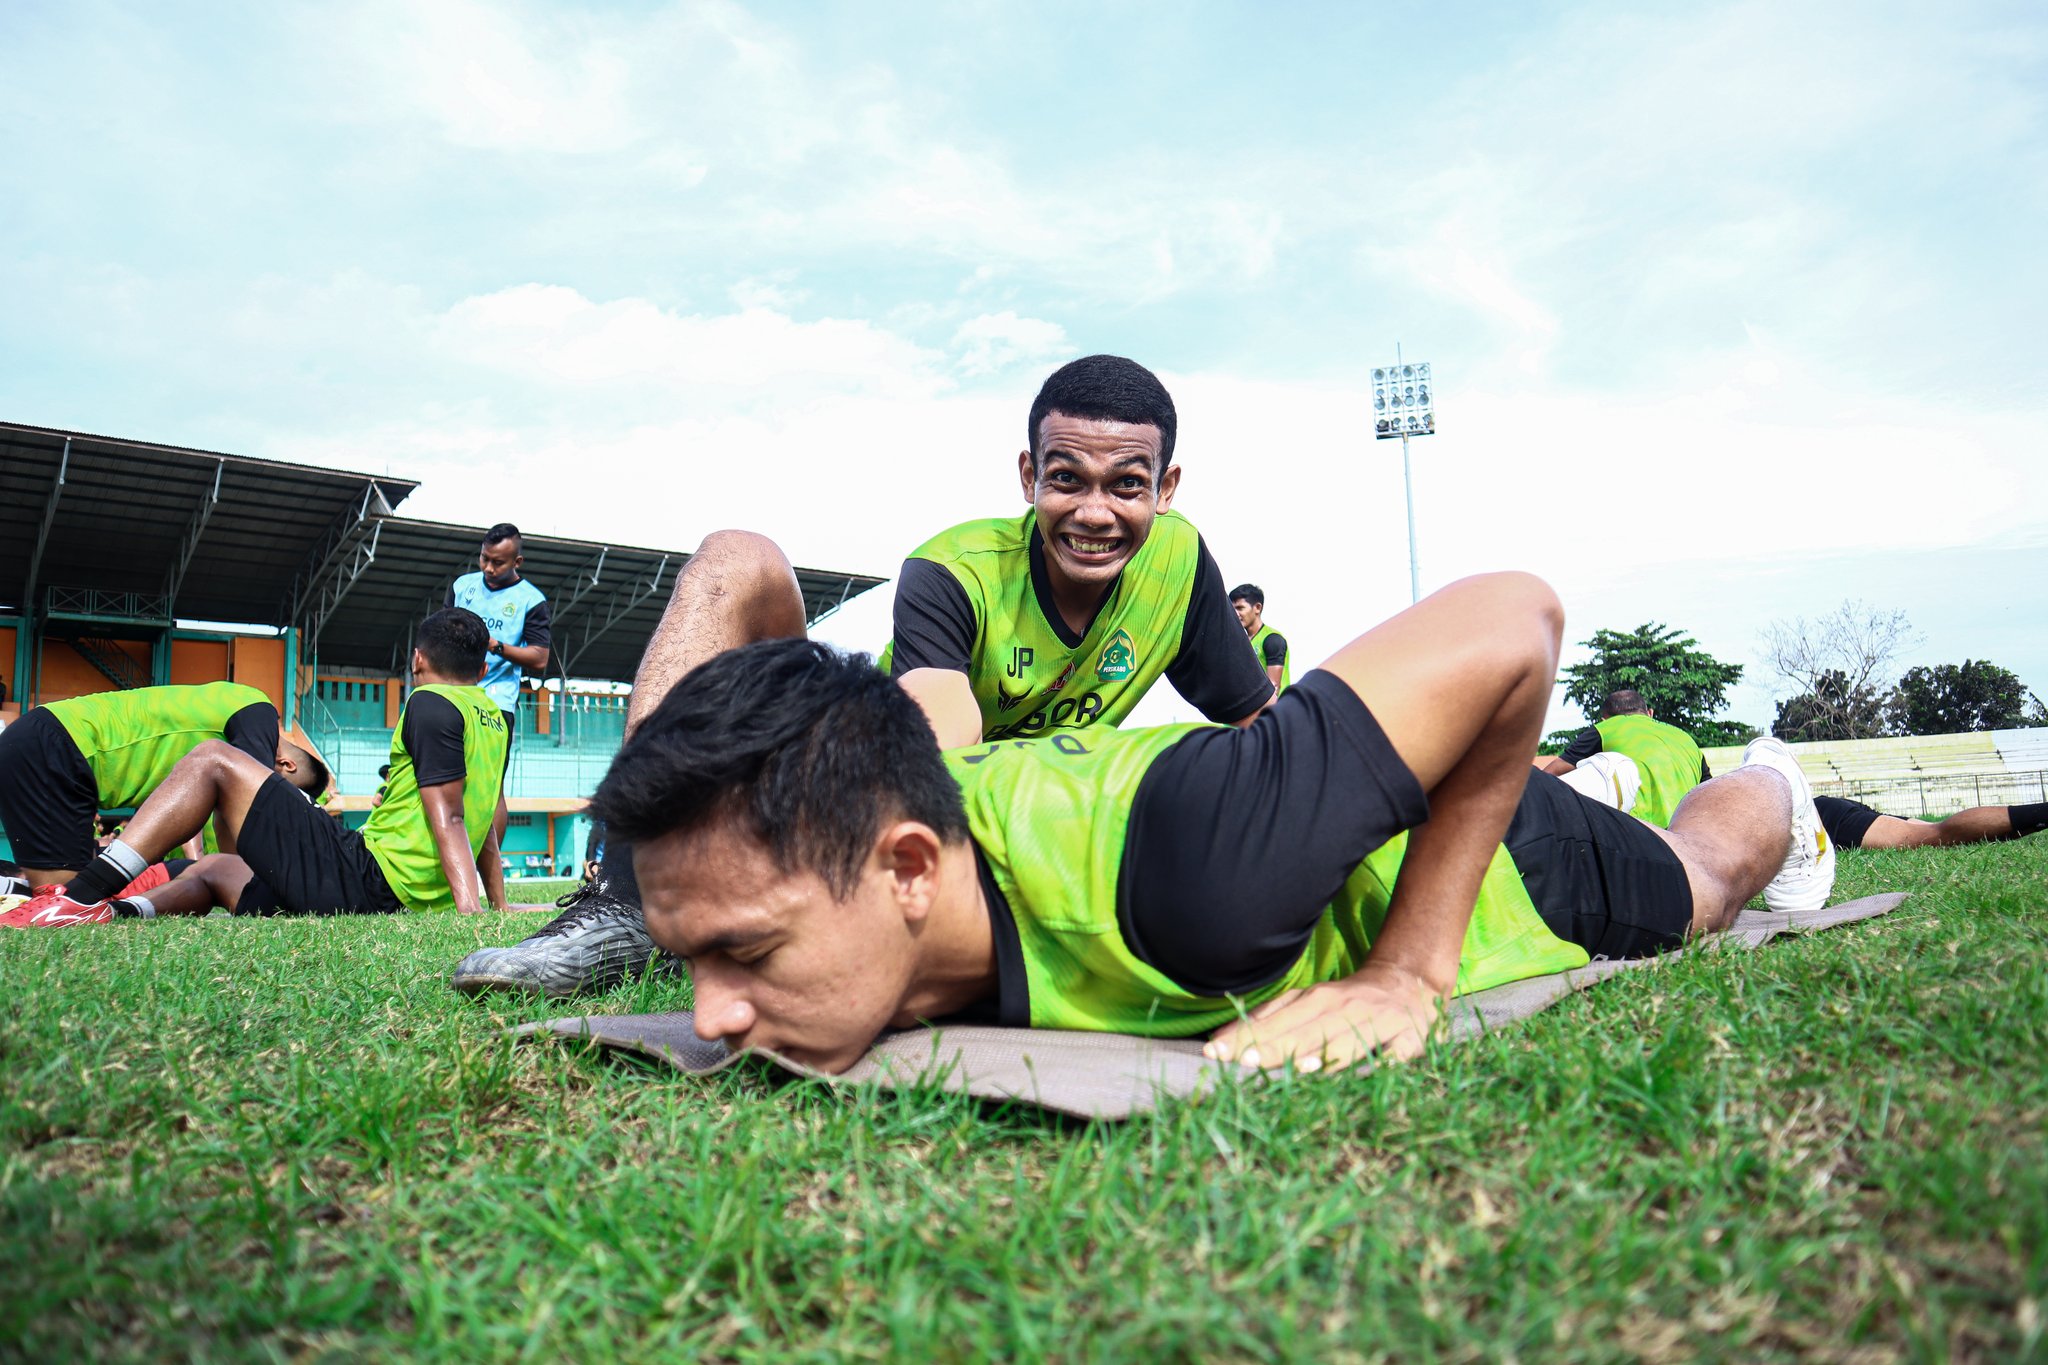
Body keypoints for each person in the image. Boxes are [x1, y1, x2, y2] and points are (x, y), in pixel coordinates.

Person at [579, 617, 1835, 1076]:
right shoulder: (851, 823)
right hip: (1277, 805)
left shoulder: (1201, 886)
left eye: (744, 953)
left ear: (911, 868)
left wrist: (1406, 974)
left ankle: (1767, 778)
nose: (712, 1018)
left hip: (1496, 842)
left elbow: (1510, 618)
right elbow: (737, 564)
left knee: (1703, 882)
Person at [451, 354, 1274, 998]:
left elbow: (1267, 733)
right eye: (1067, 479)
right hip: (861, 796)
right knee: (738, 555)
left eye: (1126, 485)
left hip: (978, 863)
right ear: (1029, 477)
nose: (1095, 512)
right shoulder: (953, 570)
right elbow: (940, 753)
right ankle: (624, 894)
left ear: (1164, 489)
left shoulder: (1180, 564)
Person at [1, 609, 510, 927]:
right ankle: (109, 912)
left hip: (372, 879)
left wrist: (470, 917)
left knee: (211, 759)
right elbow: (487, 817)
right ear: (482, 670)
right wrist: (498, 904)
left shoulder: (428, 703)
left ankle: (77, 900)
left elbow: (451, 815)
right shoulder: (494, 719)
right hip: (379, 889)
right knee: (218, 868)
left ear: (417, 660)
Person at [0, 681, 327, 894]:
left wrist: (234, 875)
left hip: (60, 754)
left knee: (61, 897)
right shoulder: (258, 709)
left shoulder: (233, 740)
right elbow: (252, 806)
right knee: (67, 905)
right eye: (283, 789)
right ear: (286, 764)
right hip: (61, 747)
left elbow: (229, 829)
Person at [1539, 689, 1709, 827]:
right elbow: (1707, 790)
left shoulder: (1605, 728)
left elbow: (1551, 773)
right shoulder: (1685, 737)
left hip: (1640, 829)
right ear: (1649, 713)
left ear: (1604, 718)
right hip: (1686, 832)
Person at [1814, 794, 2048, 850]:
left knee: (1936, 835)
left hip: (1825, 817)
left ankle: (2042, 814)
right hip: (1826, 808)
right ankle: (2039, 816)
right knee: (1933, 830)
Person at [1229, 583, 1291, 694]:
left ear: (1257, 608)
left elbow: (1274, 688)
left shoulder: (1272, 640)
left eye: (1240, 608)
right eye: (1232, 609)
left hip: (1275, 709)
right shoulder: (1242, 641)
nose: (1235, 614)